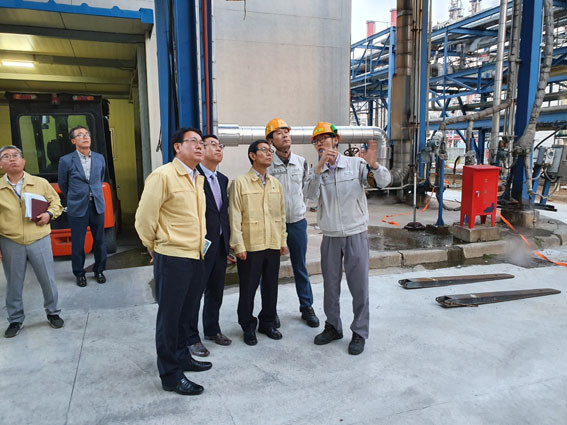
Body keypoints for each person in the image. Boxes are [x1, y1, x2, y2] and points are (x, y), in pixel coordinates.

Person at [135, 127, 212, 396]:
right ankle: (170, 374)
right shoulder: (163, 176)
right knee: (169, 318)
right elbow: (144, 218)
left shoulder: (197, 177)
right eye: (193, 141)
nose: (200, 146)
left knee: (185, 314)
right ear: (177, 147)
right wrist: (154, 246)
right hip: (173, 257)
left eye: (202, 143)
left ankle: (182, 357)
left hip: (196, 255)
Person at [304, 122, 391, 355]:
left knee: (359, 287)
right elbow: (308, 195)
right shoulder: (317, 171)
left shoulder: (356, 164)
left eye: (324, 138)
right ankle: (333, 326)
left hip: (355, 234)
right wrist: (319, 167)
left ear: (336, 140)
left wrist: (374, 165)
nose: (320, 143)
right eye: (316, 141)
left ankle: (359, 332)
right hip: (330, 236)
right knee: (330, 286)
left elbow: (383, 182)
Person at [0, 145, 64, 338]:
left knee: (47, 278)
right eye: (6, 156)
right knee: (14, 282)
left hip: (39, 238)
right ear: (1, 164)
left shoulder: (40, 182)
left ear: (23, 161)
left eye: (15, 155)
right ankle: (15, 319)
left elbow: (56, 203)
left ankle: (53, 312)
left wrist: (49, 214)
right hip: (11, 241)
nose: (12, 159)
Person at [229, 140, 288, 346]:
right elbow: (234, 216)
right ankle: (247, 326)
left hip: (272, 243)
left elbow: (280, 215)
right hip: (250, 245)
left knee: (271, 287)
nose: (269, 153)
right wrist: (238, 245)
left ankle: (267, 323)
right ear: (252, 156)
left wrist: (282, 240)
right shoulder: (240, 183)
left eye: (270, 151)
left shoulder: (275, 184)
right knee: (248, 289)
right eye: (264, 150)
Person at [265, 118, 319, 328]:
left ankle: (307, 307)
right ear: (271, 140)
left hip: (297, 222)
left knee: (300, 266)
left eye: (286, 132)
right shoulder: (267, 163)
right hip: (273, 224)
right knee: (269, 270)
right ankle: (269, 311)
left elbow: (307, 190)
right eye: (279, 133)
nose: (285, 135)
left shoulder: (301, 162)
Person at [186, 134, 232, 357]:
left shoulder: (222, 179)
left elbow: (223, 213)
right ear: (201, 149)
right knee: (195, 293)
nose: (218, 148)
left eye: (219, 145)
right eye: (212, 144)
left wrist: (228, 244)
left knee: (216, 290)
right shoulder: (194, 177)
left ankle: (212, 329)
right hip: (200, 246)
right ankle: (191, 338)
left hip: (220, 245)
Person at [58, 126, 107, 287]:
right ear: (73, 141)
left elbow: (100, 178)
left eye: (87, 134)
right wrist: (76, 197)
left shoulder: (99, 158)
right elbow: (63, 184)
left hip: (97, 205)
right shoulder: (66, 160)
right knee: (78, 243)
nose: (85, 137)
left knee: (100, 241)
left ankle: (99, 270)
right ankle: (79, 274)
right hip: (77, 207)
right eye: (80, 135)